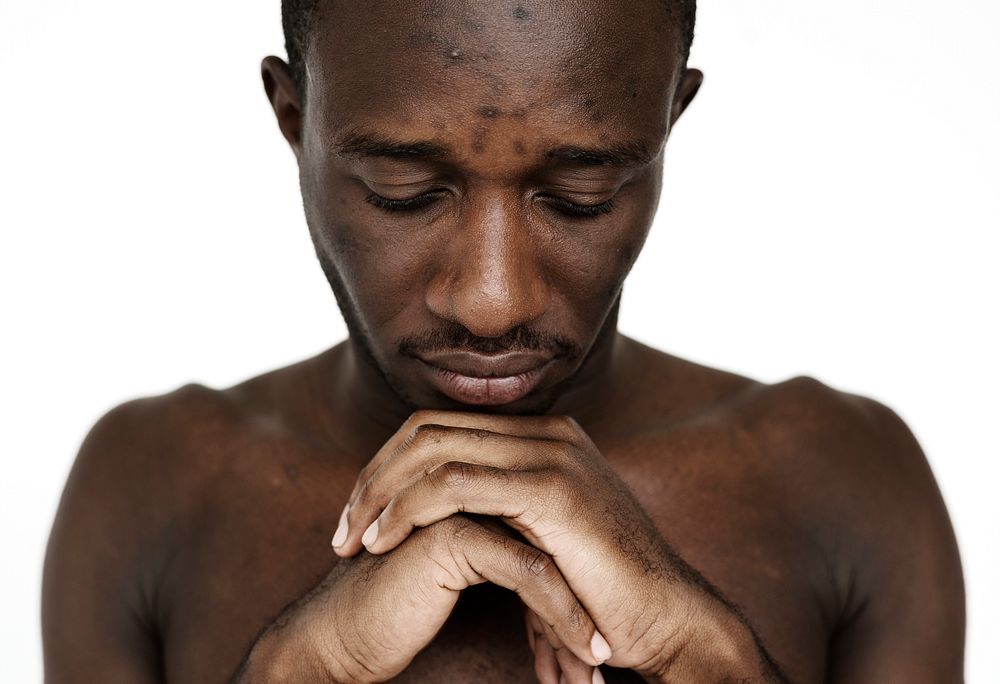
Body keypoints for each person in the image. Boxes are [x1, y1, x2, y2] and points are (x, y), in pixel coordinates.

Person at [41, 1, 965, 682]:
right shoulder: (152, 488)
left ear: (666, 123)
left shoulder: (841, 485)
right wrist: (294, 670)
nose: (491, 303)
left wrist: (706, 654)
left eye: (580, 198)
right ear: (295, 118)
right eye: (402, 190)